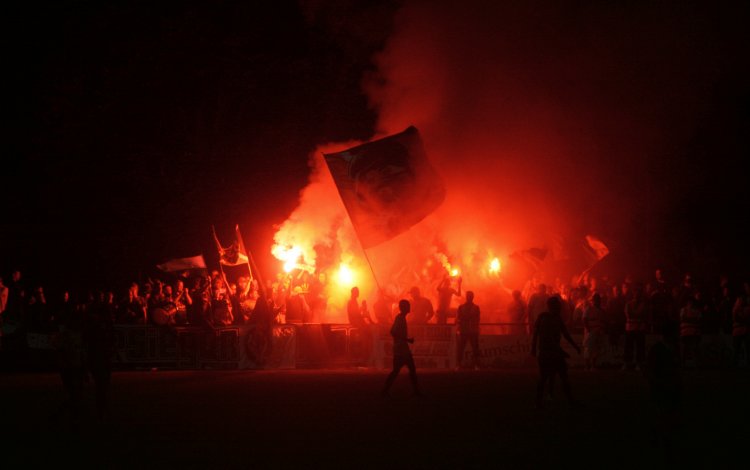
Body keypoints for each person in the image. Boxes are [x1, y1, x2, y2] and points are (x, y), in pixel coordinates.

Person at [531, 296, 581, 409]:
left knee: (550, 377)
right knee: (551, 377)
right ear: (552, 306)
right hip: (550, 352)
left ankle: (540, 402)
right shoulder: (546, 318)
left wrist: (575, 346)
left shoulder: (552, 317)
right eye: (558, 306)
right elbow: (544, 336)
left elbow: (565, 334)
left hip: (547, 352)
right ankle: (568, 401)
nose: (559, 308)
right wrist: (562, 350)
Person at [381, 299, 422, 397]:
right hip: (401, 350)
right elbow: (393, 332)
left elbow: (393, 332)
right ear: (404, 308)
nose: (409, 308)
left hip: (401, 349)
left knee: (398, 371)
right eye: (408, 306)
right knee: (409, 370)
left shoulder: (401, 318)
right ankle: (416, 392)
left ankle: (385, 391)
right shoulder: (400, 319)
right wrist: (407, 340)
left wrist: (406, 340)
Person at [623, 285, 648, 371]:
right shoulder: (628, 304)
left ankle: (638, 364)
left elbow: (642, 315)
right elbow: (629, 315)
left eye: (638, 292)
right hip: (630, 328)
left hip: (639, 328)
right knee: (628, 347)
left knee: (640, 348)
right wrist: (638, 315)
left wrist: (635, 315)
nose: (636, 294)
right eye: (635, 292)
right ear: (633, 293)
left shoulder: (642, 305)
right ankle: (627, 363)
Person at [347, 287, 374, 365]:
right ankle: (364, 357)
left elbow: (356, 313)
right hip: (356, 323)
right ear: (354, 293)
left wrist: (361, 311)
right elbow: (354, 314)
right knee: (367, 336)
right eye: (357, 292)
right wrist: (363, 313)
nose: (358, 293)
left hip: (358, 322)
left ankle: (367, 356)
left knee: (368, 333)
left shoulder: (354, 301)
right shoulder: (351, 301)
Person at [455, 291, 481, 370]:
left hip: (472, 330)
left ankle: (476, 365)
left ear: (472, 297)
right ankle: (459, 364)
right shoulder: (461, 307)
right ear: (466, 297)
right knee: (461, 348)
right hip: (465, 330)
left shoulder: (475, 307)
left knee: (475, 348)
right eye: (468, 296)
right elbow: (458, 318)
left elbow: (478, 319)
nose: (469, 297)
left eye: (470, 296)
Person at [582, 293, 606, 371]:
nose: (597, 302)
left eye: (598, 300)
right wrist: (588, 329)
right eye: (595, 300)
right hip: (591, 331)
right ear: (593, 301)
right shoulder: (588, 309)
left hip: (598, 331)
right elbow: (584, 319)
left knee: (596, 348)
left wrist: (602, 329)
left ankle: (593, 365)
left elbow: (603, 321)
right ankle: (586, 366)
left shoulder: (602, 310)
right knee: (588, 348)